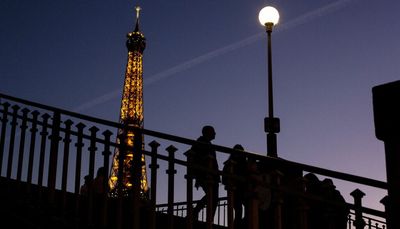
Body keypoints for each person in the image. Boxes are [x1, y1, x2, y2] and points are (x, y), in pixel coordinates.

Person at [191, 125, 220, 221]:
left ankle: (199, 212)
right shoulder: (203, 143)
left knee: (212, 197)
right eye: (213, 131)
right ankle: (207, 217)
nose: (215, 133)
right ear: (208, 133)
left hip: (209, 174)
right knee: (213, 197)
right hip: (208, 174)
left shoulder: (203, 143)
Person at [222, 144, 248, 227]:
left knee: (240, 211)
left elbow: (224, 178)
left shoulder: (231, 163)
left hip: (240, 190)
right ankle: (239, 226)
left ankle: (239, 225)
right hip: (238, 190)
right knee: (240, 211)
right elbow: (224, 179)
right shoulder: (242, 163)